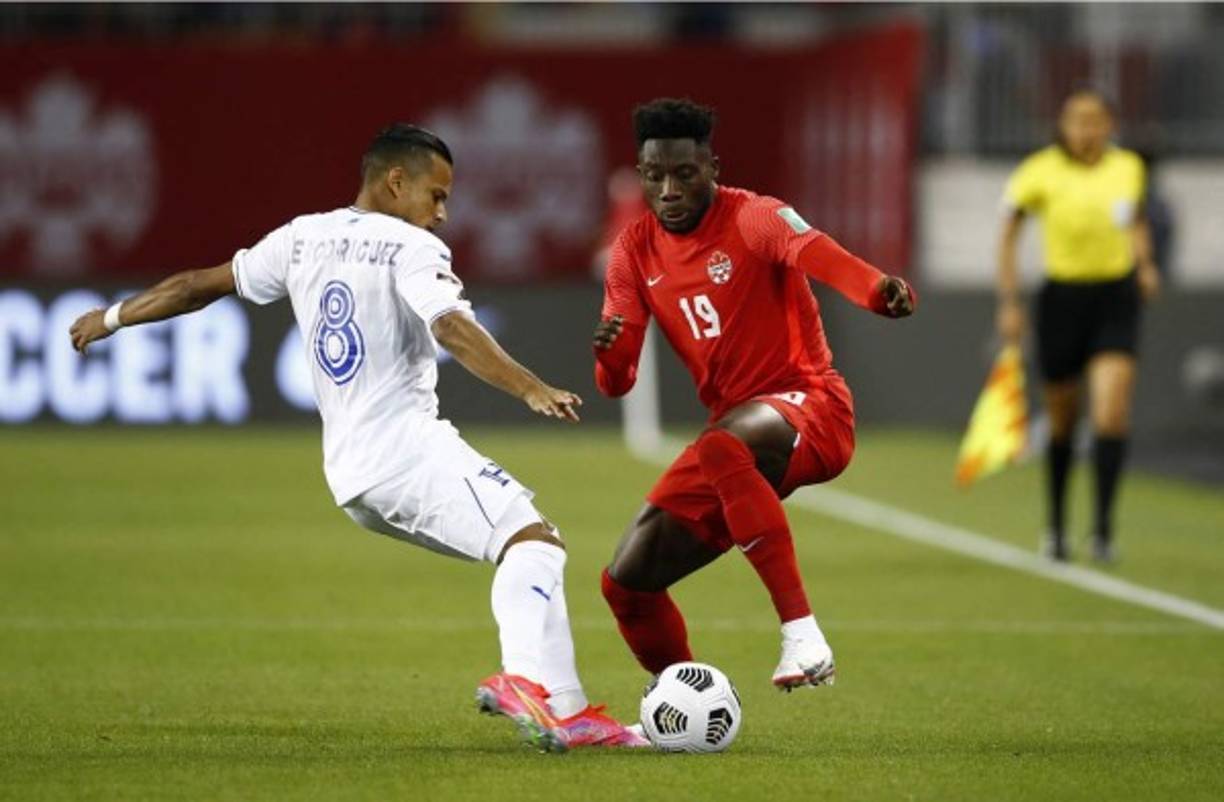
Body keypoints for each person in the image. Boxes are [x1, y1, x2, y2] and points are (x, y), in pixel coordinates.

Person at [69, 123, 646, 751]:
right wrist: (528, 385)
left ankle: (568, 713)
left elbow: (194, 287)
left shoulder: (300, 237)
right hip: (404, 449)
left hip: (350, 472)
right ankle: (525, 681)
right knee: (532, 545)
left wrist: (112, 316)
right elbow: (450, 326)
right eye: (438, 196)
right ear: (397, 182)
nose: (443, 214)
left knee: (534, 541)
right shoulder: (411, 248)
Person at [592, 99, 916, 690]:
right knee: (627, 581)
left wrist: (876, 289)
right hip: (734, 437)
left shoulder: (754, 217)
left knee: (721, 446)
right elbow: (618, 382)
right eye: (654, 175)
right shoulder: (632, 252)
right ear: (640, 174)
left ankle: (802, 636)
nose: (668, 189)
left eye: (684, 174)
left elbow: (819, 254)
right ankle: (682, 699)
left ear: (712, 167)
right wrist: (609, 351)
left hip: (811, 406)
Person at [996, 90, 1160, 563]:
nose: (1086, 129)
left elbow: (1136, 222)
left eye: (1096, 120)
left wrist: (1145, 263)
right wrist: (1010, 300)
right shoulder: (1039, 170)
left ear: (1110, 125)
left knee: (1110, 412)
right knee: (1064, 417)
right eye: (1077, 120)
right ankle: (1057, 526)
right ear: (1062, 125)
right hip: (1062, 300)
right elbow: (1008, 233)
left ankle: (1104, 530)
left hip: (1115, 297)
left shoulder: (1128, 167)